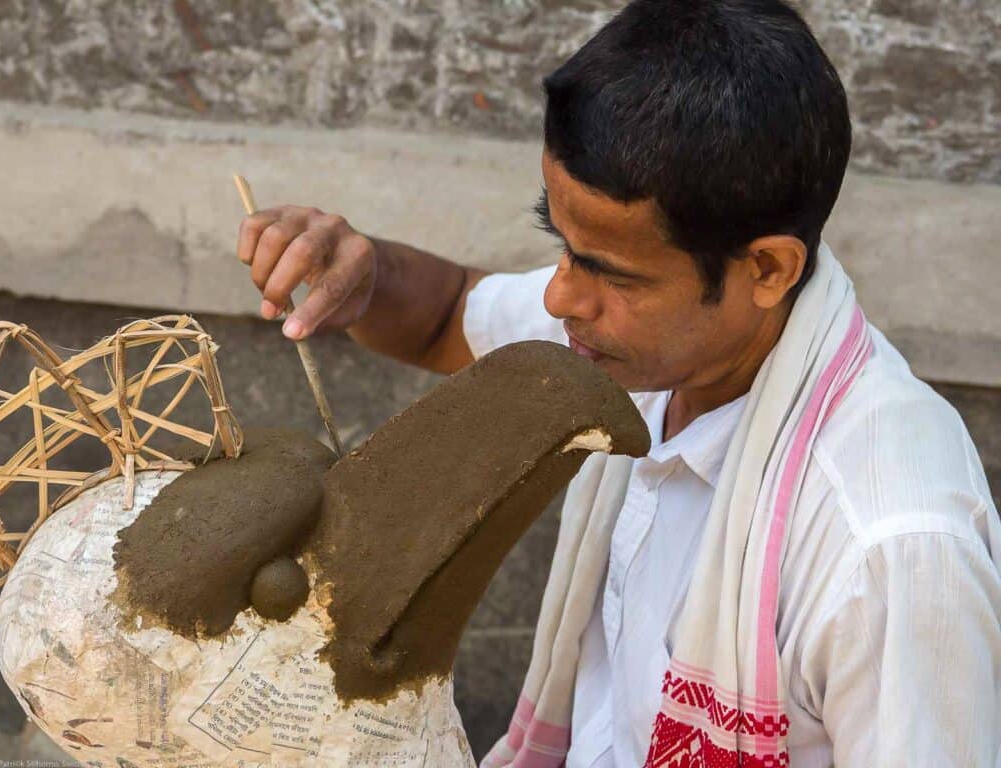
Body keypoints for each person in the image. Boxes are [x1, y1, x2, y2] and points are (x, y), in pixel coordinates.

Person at [236, 0, 1001, 765]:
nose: (560, 298)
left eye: (606, 270)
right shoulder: (637, 345)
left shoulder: (888, 549)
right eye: (561, 243)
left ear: (767, 269)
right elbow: (443, 318)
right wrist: (361, 275)